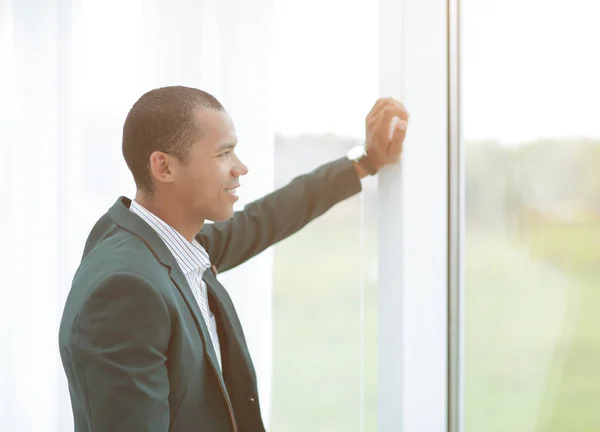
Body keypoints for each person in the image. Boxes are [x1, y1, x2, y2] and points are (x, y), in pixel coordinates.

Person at [58, 86, 409, 432]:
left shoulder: (160, 242)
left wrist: (366, 160)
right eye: (223, 154)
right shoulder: (127, 290)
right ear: (163, 167)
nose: (240, 168)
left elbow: (265, 219)